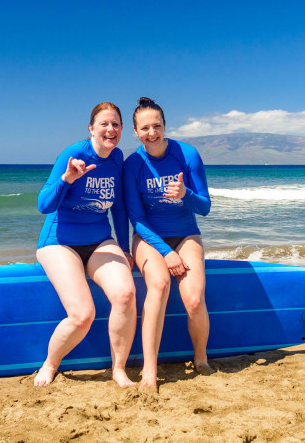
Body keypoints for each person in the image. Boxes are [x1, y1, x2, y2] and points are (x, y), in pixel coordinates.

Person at [33, 102, 137, 387]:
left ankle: (118, 369)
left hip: (99, 240)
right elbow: (44, 204)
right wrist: (67, 179)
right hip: (59, 242)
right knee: (82, 314)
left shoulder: (117, 160)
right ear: (91, 128)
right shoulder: (74, 154)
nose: (110, 129)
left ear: (122, 130)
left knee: (126, 294)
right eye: (104, 123)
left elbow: (118, 209)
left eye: (115, 124)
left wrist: (124, 247)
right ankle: (50, 364)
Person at [123, 97, 213, 390]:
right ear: (135, 132)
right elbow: (136, 219)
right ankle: (149, 370)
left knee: (194, 300)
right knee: (159, 286)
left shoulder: (187, 154)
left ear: (165, 126)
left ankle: (201, 359)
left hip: (186, 234)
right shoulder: (133, 164)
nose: (152, 132)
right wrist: (166, 253)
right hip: (148, 237)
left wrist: (185, 194)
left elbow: (205, 208)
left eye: (156, 126)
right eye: (145, 128)